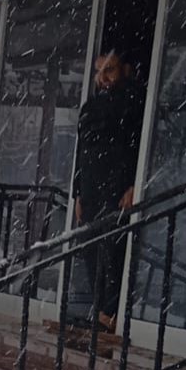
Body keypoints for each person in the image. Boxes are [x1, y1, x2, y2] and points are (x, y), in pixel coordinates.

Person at [73, 47, 148, 332]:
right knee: (91, 250)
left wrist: (134, 184)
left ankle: (109, 313)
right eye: (98, 71)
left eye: (110, 70)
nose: (102, 77)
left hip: (118, 188)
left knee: (115, 249)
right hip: (91, 189)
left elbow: (139, 147)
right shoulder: (90, 108)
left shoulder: (134, 103)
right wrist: (78, 193)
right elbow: (82, 152)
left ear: (124, 70)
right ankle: (100, 309)